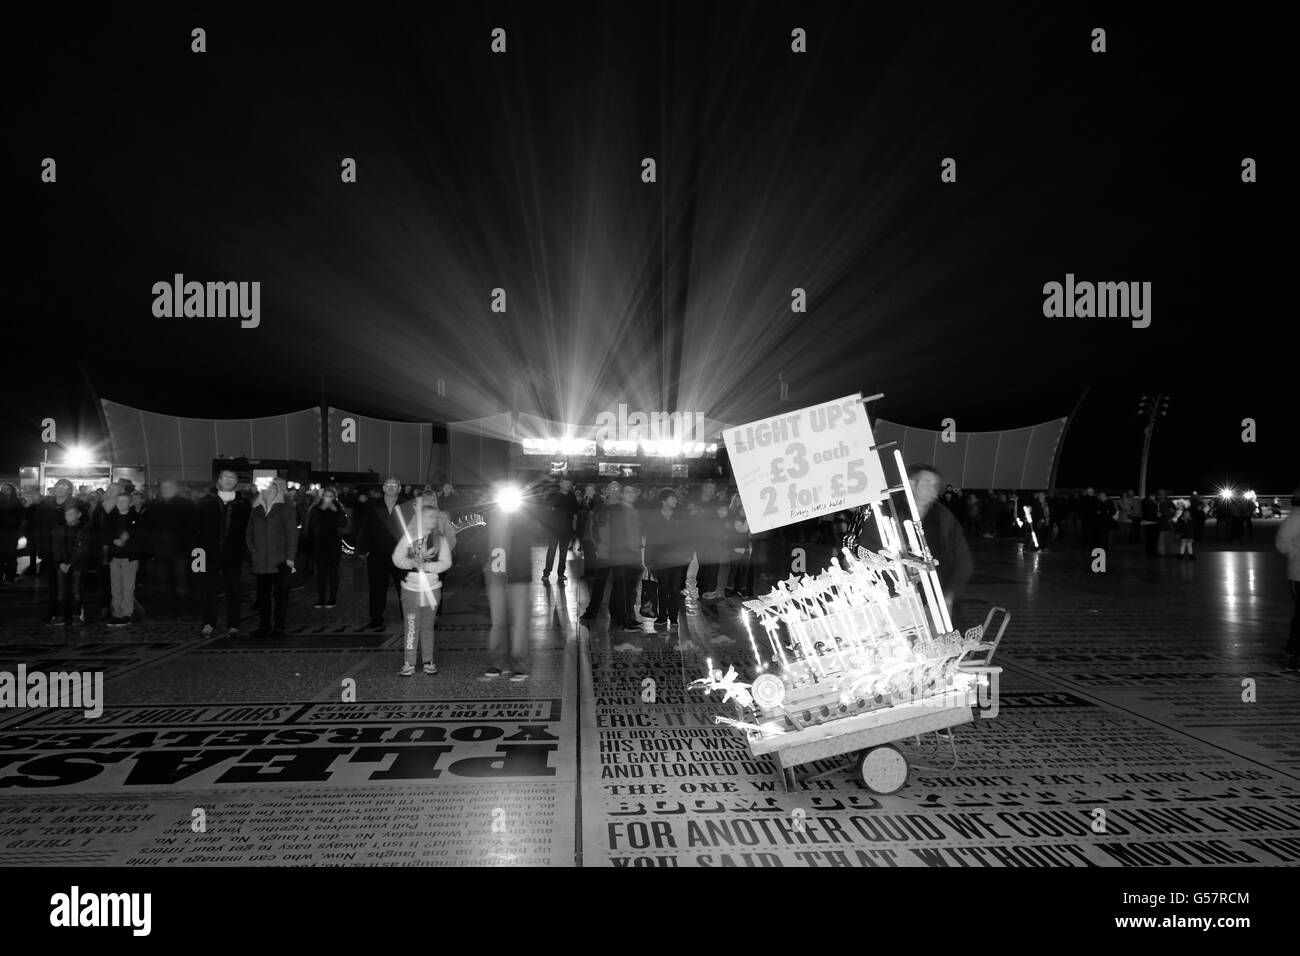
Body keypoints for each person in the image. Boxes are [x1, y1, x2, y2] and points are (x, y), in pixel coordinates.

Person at [483, 485, 543, 681]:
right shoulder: (490, 517)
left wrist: (524, 513)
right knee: (498, 622)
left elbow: (537, 531)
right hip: (496, 575)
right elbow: (480, 540)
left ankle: (520, 663)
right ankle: (497, 661)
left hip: (519, 576)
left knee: (519, 622)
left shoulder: (524, 519)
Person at [907, 464, 973, 631]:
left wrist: (950, 592)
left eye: (935, 485)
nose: (932, 489)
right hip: (903, 600)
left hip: (938, 597)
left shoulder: (943, 517)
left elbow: (962, 559)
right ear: (911, 483)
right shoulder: (890, 512)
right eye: (927, 482)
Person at [392, 503, 453, 675]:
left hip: (432, 589)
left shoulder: (440, 539)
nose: (434, 520)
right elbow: (397, 559)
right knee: (411, 626)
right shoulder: (408, 538)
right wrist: (411, 563)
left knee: (427, 627)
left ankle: (428, 660)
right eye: (430, 517)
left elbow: (446, 562)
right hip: (410, 590)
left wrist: (427, 566)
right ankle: (409, 662)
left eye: (435, 517)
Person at [197, 471, 252, 638]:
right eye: (224, 477)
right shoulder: (206, 502)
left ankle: (233, 624)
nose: (228, 480)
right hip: (209, 553)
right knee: (209, 591)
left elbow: (248, 530)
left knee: (234, 590)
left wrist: (245, 552)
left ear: (236, 482)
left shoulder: (243, 504)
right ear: (218, 481)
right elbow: (196, 529)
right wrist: (197, 554)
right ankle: (208, 622)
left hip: (233, 553)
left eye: (232, 478)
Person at [245, 478, 298, 638]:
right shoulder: (256, 510)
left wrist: (290, 557)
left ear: (278, 491)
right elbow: (249, 533)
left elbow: (292, 534)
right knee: (263, 595)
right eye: (266, 489)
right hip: (261, 560)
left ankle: (279, 626)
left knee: (280, 595)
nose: (268, 492)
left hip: (280, 559)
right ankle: (264, 626)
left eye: (272, 489)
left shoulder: (285, 509)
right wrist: (253, 550)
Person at [358, 476, 408, 631]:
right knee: (376, 588)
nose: (391, 487)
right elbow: (365, 528)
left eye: (395, 485)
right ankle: (376, 618)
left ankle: (408, 618)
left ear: (399, 488)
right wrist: (363, 549)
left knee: (405, 588)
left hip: (402, 554)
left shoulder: (407, 506)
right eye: (388, 484)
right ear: (383, 488)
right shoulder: (373, 506)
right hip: (377, 553)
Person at [143, 479, 196, 617]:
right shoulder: (154, 505)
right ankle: (167, 608)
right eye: (164, 487)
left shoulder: (187, 505)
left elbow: (192, 527)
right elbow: (148, 527)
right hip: (161, 549)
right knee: (163, 581)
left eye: (169, 487)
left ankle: (184, 608)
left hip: (180, 549)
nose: (166, 490)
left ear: (176, 489)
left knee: (182, 580)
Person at [643, 488, 688, 628]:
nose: (675, 500)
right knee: (663, 587)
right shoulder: (654, 517)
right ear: (663, 500)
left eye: (675, 498)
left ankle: (673, 617)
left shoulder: (680, 516)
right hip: (660, 558)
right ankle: (662, 615)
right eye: (672, 498)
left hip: (677, 558)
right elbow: (650, 539)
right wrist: (648, 559)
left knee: (675, 588)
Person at [605, 484, 644, 631]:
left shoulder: (634, 511)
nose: (631, 493)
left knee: (626, 588)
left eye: (633, 491)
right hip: (620, 554)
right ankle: (623, 619)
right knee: (622, 588)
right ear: (622, 494)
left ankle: (619, 615)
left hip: (633, 553)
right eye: (627, 491)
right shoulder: (616, 509)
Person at [103, 490, 140, 627]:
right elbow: (105, 534)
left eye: (124, 501)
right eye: (119, 501)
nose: (120, 504)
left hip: (129, 557)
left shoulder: (136, 518)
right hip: (114, 556)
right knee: (115, 587)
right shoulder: (111, 517)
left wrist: (127, 540)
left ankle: (126, 614)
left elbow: (140, 536)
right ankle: (116, 612)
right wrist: (114, 541)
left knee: (128, 587)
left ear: (130, 503)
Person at [49, 502, 90, 625]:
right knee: (61, 591)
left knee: (76, 591)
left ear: (79, 515)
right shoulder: (58, 528)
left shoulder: (84, 528)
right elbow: (56, 547)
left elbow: (82, 548)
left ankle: (76, 615)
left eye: (71, 513)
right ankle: (61, 615)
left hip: (76, 564)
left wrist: (70, 563)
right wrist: (60, 562)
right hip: (62, 563)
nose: (68, 516)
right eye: (67, 513)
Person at [308, 486, 348, 608]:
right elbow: (312, 522)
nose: (328, 498)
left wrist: (336, 510)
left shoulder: (339, 508)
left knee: (333, 572)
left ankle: (332, 598)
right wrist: (322, 509)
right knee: (320, 572)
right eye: (326, 495)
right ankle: (321, 598)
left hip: (334, 544)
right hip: (320, 543)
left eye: (330, 496)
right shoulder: (316, 508)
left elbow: (344, 523)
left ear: (335, 497)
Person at [1276, 486, 1300, 671]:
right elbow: (1283, 542)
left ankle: (1293, 649)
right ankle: (1295, 655)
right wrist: (1296, 554)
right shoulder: (1295, 519)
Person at [542, 477, 579, 583]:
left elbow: (575, 511)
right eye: (565, 483)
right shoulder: (553, 495)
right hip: (554, 529)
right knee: (552, 551)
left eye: (569, 483)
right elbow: (546, 511)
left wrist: (573, 527)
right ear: (561, 484)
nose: (567, 485)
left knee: (563, 553)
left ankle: (561, 574)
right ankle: (546, 573)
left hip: (566, 529)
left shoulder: (572, 497)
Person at [0, 482, 21, 585]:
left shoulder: (17, 502)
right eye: (3, 489)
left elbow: (21, 518)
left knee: (11, 556)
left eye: (8, 489)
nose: (5, 491)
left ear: (12, 490)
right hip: (1, 533)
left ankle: (10, 577)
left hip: (12, 533)